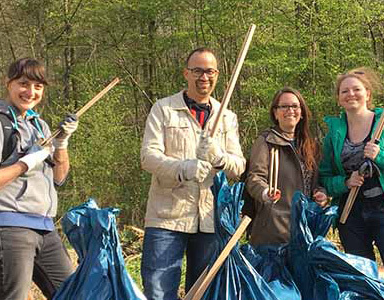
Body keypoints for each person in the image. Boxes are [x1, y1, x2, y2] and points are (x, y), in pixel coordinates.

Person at [0, 58, 77, 300]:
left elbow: (58, 179)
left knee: (74, 294)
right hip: (6, 227)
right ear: (8, 84)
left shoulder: (41, 126)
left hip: (44, 228)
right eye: (23, 84)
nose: (31, 92)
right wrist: (25, 162)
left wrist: (61, 143)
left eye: (38, 86)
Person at [139, 47, 246, 300]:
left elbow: (239, 167)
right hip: (167, 217)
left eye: (209, 71)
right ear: (186, 73)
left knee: (204, 293)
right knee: (158, 291)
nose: (203, 77)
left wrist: (220, 158)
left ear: (217, 75)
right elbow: (148, 157)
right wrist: (183, 168)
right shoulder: (164, 109)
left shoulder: (226, 117)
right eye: (197, 70)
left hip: (209, 218)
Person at [318, 67, 384, 299]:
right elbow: (324, 177)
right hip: (350, 213)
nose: (351, 94)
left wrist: (381, 156)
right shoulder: (333, 133)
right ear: (338, 98)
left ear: (368, 94)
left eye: (357, 89)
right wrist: (345, 182)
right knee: (362, 281)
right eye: (345, 91)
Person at [245, 87, 329, 246]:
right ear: (275, 113)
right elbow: (254, 178)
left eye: (295, 106)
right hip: (273, 230)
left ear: (301, 112)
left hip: (305, 228)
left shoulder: (311, 146)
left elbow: (315, 183)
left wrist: (321, 194)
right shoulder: (266, 141)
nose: (290, 110)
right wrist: (265, 192)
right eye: (284, 106)